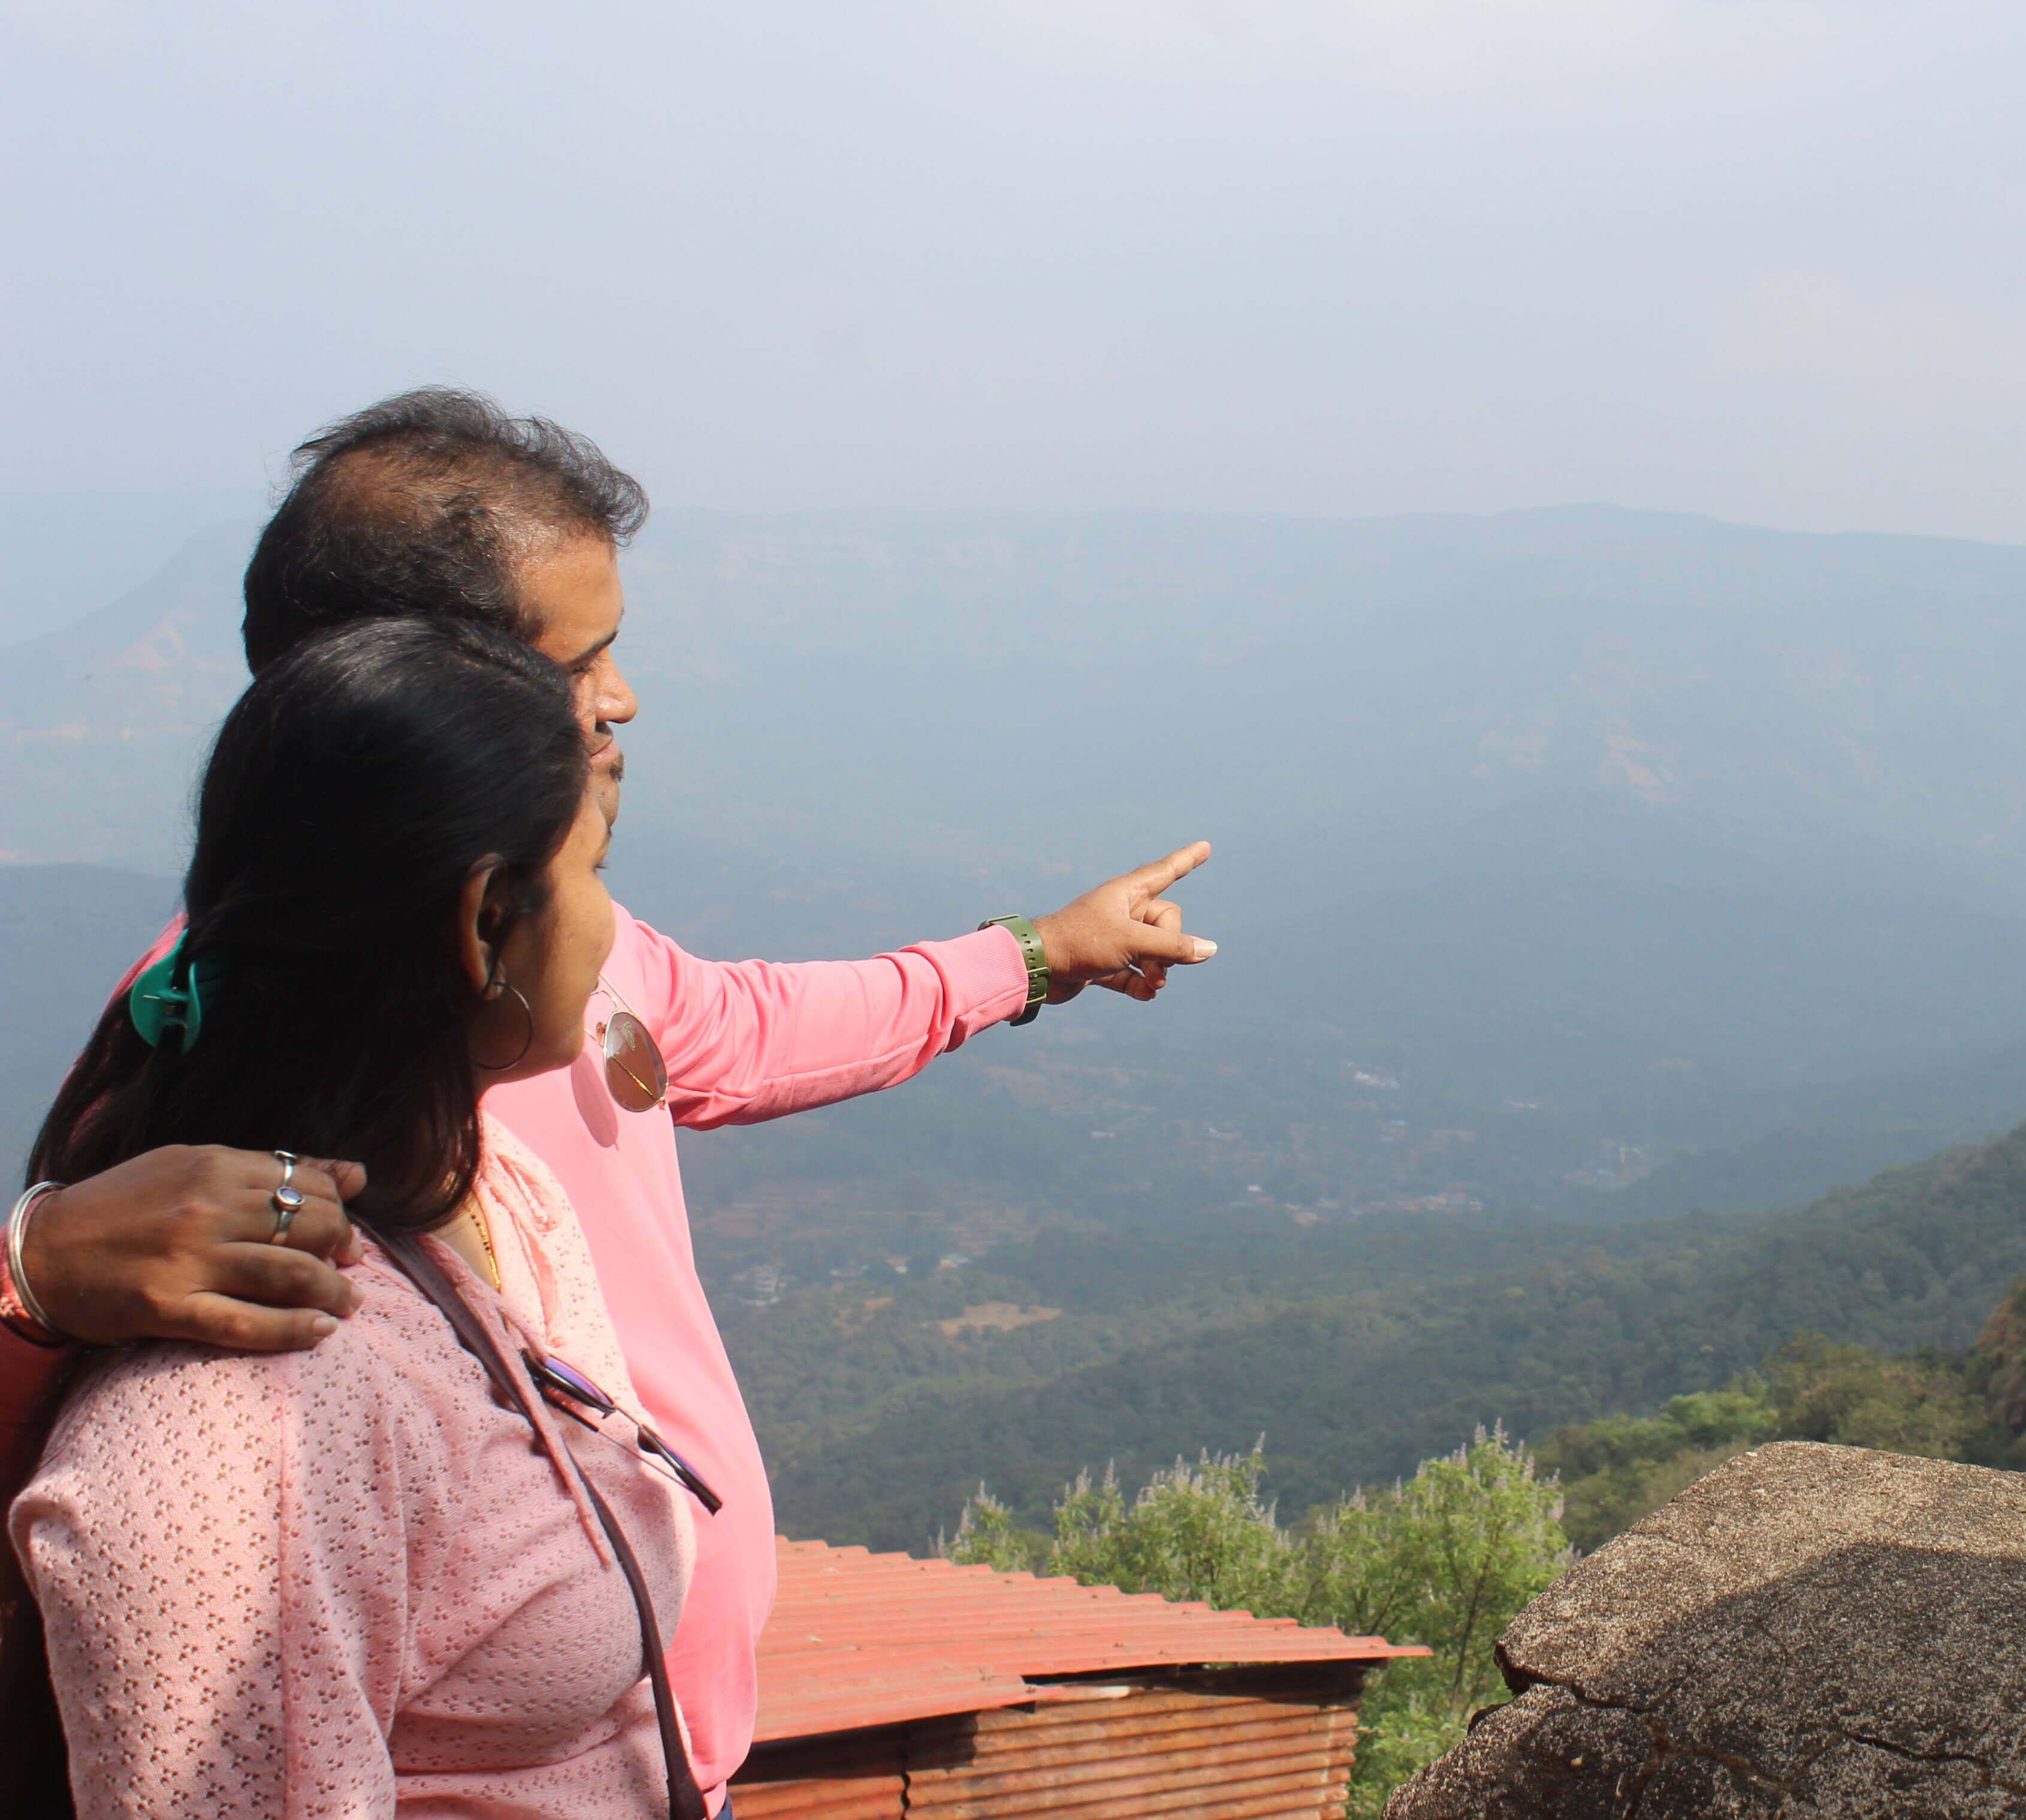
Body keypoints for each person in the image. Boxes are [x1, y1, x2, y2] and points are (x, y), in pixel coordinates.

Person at [0, 391, 1214, 1805]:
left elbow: (730, 1025)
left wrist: (1028, 959)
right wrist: (28, 1287)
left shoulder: (491, 1109)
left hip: (646, 1740)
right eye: (582, 660)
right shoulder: (220, 1089)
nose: (621, 700)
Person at [15, 616, 697, 1812]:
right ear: (486, 923)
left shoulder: (495, 1195)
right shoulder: (241, 1429)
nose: (611, 923)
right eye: (592, 872)